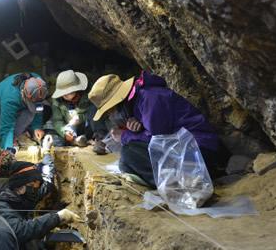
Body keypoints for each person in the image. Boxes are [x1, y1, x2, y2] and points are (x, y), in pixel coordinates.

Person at [88, 71, 224, 186]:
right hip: (186, 149)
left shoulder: (150, 99)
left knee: (129, 154)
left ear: (119, 101)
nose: (112, 115)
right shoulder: (139, 101)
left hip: (200, 152)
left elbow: (160, 141)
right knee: (126, 163)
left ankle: (185, 183)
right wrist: (136, 130)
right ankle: (174, 180)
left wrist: (125, 136)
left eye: (111, 110)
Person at [0, 73, 48, 150]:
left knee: (32, 110)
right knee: (28, 114)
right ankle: (14, 138)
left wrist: (37, 127)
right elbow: (6, 128)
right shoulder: (10, 97)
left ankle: (22, 132)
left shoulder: (39, 83)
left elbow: (38, 107)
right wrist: (8, 150)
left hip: (15, 109)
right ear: (23, 93)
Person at [50, 70, 95, 147]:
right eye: (62, 93)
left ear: (76, 90)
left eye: (68, 93)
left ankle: (88, 138)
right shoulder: (57, 100)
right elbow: (57, 120)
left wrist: (80, 118)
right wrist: (64, 132)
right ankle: (75, 141)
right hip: (69, 130)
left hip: (88, 128)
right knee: (57, 141)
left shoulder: (89, 96)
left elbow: (94, 113)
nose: (64, 95)